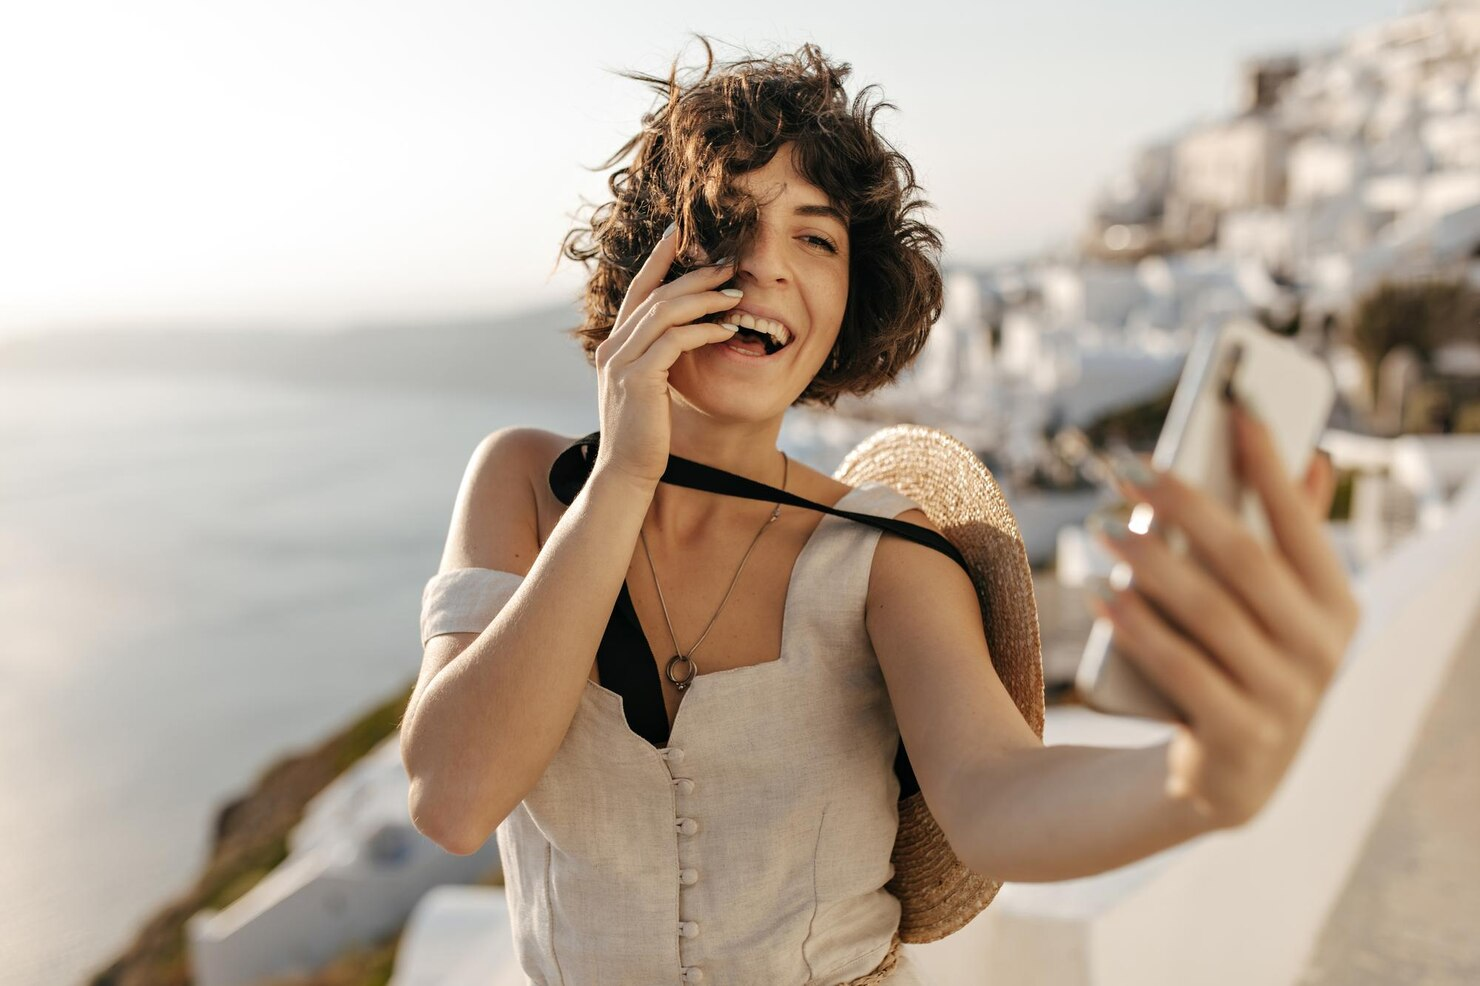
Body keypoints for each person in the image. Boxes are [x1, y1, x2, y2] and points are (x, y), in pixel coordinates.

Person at [399, 38, 1361, 984]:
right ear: (646, 263)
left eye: (815, 238)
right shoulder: (530, 483)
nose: (767, 265)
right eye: (727, 221)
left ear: (850, 302)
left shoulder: (888, 552)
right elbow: (453, 799)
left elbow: (996, 794)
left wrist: (1193, 784)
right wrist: (622, 477)